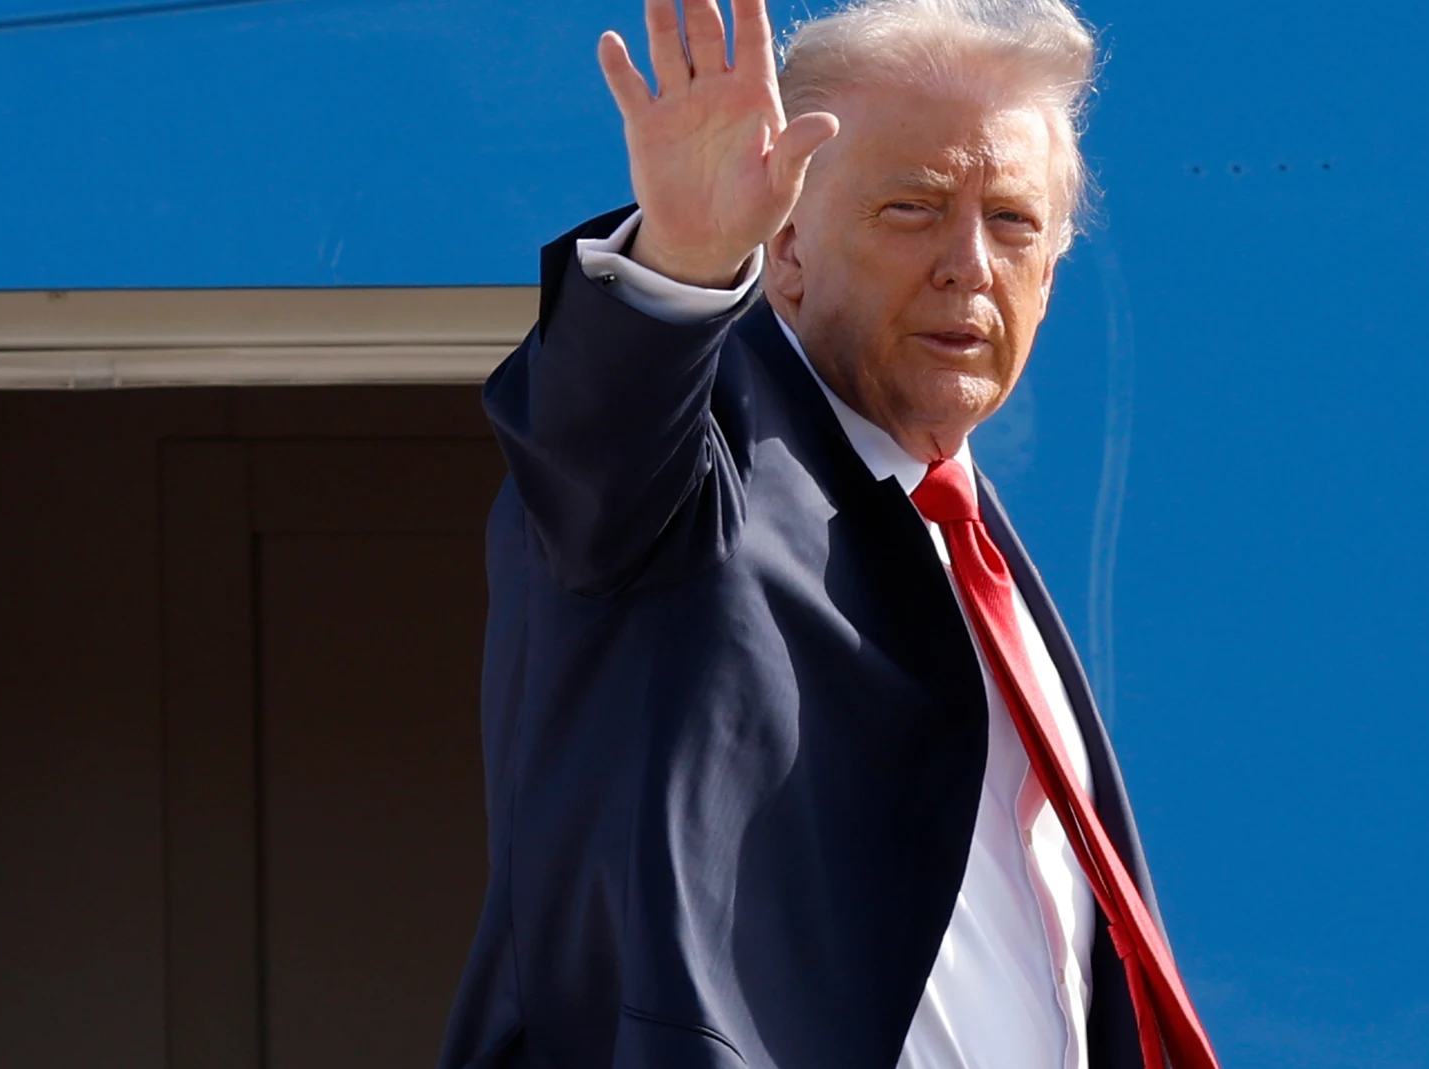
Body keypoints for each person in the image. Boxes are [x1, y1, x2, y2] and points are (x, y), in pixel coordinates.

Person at [438, 1, 1219, 1066]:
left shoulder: (965, 538)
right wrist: (683, 259)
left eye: (1012, 222)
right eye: (913, 207)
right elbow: (593, 450)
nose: (968, 264)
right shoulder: (700, 474)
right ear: (789, 245)